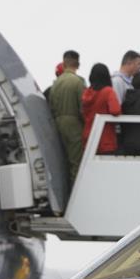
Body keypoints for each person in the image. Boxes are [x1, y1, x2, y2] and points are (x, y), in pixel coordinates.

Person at [48, 50, 86, 184]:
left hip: (57, 124)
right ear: (78, 64)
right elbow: (83, 109)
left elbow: (51, 106)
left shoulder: (55, 84)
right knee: (77, 164)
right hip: (74, 126)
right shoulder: (78, 82)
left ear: (63, 64)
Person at [82, 63, 121, 154]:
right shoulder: (108, 91)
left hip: (88, 137)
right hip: (105, 139)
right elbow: (115, 110)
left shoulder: (86, 93)